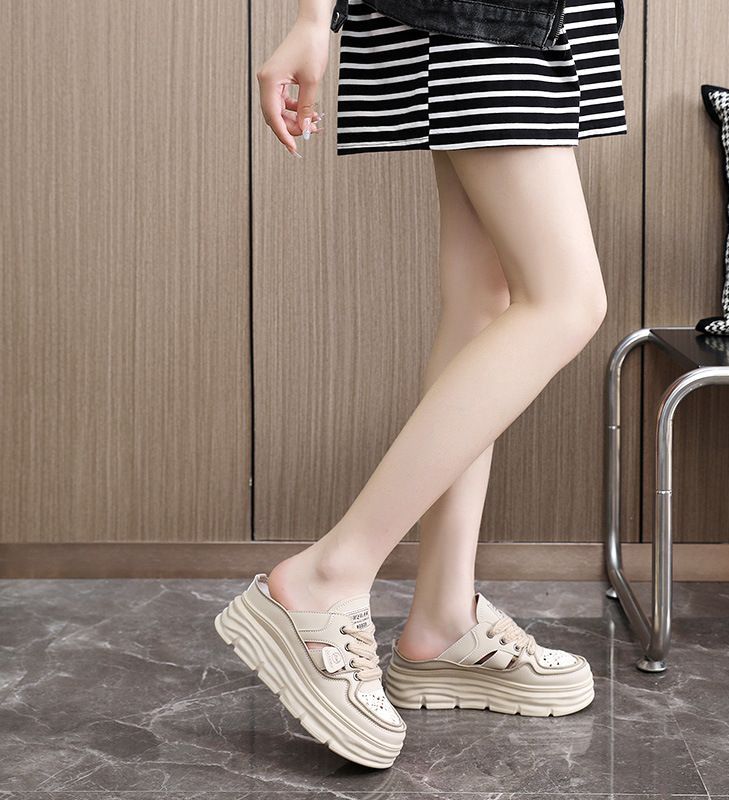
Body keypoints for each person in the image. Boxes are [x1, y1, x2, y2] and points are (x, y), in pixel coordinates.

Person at [215, 0, 627, 769]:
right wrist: (312, 18)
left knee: (484, 307)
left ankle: (441, 618)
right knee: (565, 301)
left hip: (522, 18)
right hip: (487, 19)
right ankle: (328, 575)